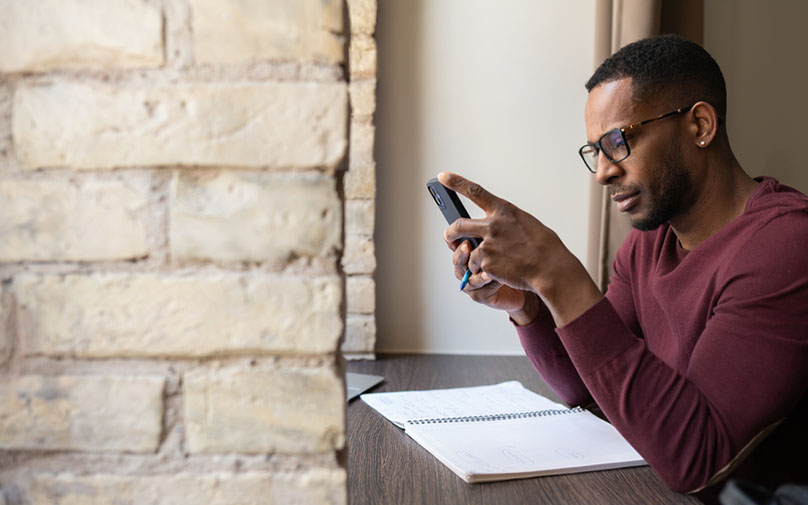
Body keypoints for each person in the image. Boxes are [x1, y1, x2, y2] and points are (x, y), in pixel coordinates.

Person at [439, 34, 808, 503]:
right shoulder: (648, 244)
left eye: (617, 142)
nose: (602, 172)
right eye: (595, 150)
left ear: (699, 124)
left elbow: (697, 459)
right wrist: (527, 304)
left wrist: (557, 272)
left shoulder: (785, 245)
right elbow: (588, 390)